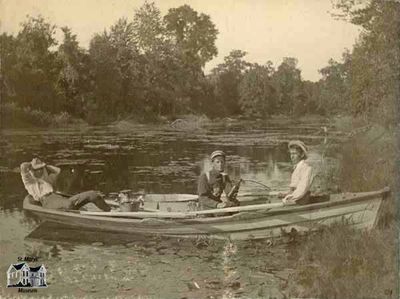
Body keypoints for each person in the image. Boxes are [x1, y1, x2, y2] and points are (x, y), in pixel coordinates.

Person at [21, 158, 111, 211]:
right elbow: (23, 167)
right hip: (48, 202)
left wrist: (45, 165)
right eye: (37, 169)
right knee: (68, 204)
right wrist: (32, 164)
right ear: (32, 170)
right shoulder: (30, 182)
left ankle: (109, 212)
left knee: (92, 194)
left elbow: (58, 171)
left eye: (41, 168)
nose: (40, 170)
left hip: (58, 198)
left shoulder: (47, 178)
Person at [281, 140, 314, 205]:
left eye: (294, 154)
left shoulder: (306, 168)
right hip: (296, 197)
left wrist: (291, 197)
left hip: (301, 200)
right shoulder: (297, 167)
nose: (291, 156)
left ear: (302, 154)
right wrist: (286, 193)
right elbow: (295, 186)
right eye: (291, 153)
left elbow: (302, 188)